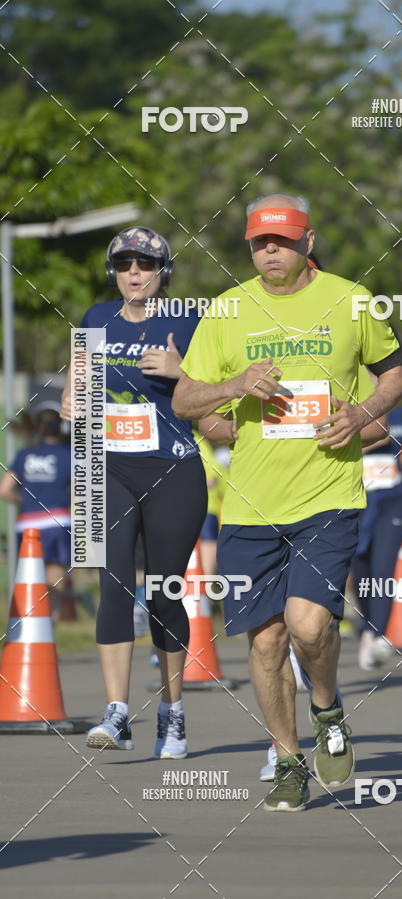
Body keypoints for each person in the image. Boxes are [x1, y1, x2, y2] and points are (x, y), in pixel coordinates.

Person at [173, 193, 402, 811]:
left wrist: (360, 412)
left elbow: (396, 372)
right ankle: (287, 760)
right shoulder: (227, 310)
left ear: (308, 241)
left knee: (309, 625)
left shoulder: (350, 300)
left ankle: (327, 708)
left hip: (327, 494)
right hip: (250, 505)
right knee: (265, 642)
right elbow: (185, 402)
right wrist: (234, 387)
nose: (270, 251)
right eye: (260, 243)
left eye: (281, 240)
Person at [60, 226, 206, 758]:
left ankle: (173, 711)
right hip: (107, 470)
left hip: (173, 470)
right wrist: (71, 400)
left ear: (164, 271)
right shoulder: (96, 318)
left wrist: (181, 371)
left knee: (165, 591)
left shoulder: (189, 319)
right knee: (114, 583)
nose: (135, 272)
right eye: (124, 264)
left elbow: (219, 390)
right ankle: (117, 712)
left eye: (145, 263)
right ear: (113, 272)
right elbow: (78, 381)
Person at [352, 367, 402, 670]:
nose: (374, 379)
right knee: (359, 569)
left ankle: (377, 635)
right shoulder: (343, 408)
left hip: (393, 501)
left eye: (377, 374)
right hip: (355, 501)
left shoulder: (400, 415)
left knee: (383, 568)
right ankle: (367, 626)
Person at [0, 404, 74, 618]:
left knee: (30, 580)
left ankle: (26, 627)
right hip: (58, 523)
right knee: (55, 583)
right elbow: (82, 491)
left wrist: (27, 501)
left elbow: (4, 490)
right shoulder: (69, 454)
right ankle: (49, 630)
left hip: (27, 525)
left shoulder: (24, 454)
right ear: (62, 428)